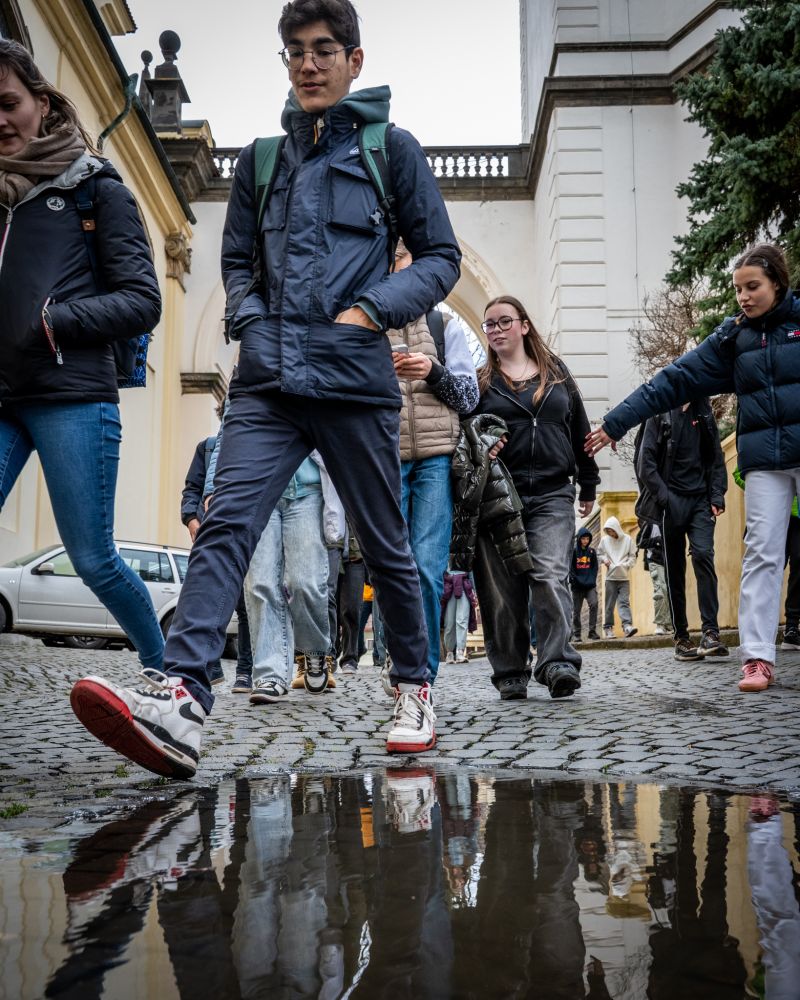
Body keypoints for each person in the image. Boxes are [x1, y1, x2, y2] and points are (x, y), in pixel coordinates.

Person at [71, 0, 461, 777]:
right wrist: (251, 320)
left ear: (354, 59)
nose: (308, 64)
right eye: (295, 52)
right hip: (268, 385)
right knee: (225, 524)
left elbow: (440, 257)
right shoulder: (260, 161)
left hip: (354, 381)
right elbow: (237, 264)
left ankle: (414, 686)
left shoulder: (392, 151)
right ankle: (184, 698)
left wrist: (369, 311)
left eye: (324, 49)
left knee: (386, 543)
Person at [0, 42, 164, 679]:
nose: (0, 120)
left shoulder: (95, 189)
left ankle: (170, 671)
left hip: (71, 395)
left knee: (93, 558)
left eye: (9, 103)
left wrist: (52, 320)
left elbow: (142, 301)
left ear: (42, 103)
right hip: (4, 392)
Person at [586, 242, 800, 693]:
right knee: (762, 552)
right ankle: (757, 658)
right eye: (737, 289)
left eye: (753, 287)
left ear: (778, 283)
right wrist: (615, 423)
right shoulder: (733, 338)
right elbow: (673, 379)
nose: (743, 297)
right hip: (765, 460)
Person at [459, 294, 599, 700]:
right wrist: (484, 442)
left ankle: (557, 662)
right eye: (489, 324)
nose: (496, 329)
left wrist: (588, 481)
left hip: (553, 492)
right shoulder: (481, 382)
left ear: (523, 325)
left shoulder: (556, 374)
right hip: (500, 494)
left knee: (549, 573)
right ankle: (510, 670)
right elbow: (466, 434)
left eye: (504, 321)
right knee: (501, 588)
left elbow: (580, 426)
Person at [386, 240, 479, 685]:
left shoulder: (445, 326)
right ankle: (399, 657)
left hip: (435, 461)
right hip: (385, 459)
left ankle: (420, 674)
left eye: (399, 257)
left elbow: (469, 397)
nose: (392, 266)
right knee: (392, 566)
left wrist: (432, 371)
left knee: (426, 566)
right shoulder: (365, 327)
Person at [636, 398, 728, 661]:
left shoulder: (704, 411)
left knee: (703, 555)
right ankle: (682, 638)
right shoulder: (659, 413)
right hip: (671, 502)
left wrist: (716, 495)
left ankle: (711, 633)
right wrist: (665, 499)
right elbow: (645, 464)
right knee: (674, 569)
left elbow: (716, 457)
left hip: (700, 501)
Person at [245, 454, 338, 703]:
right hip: (260, 489)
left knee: (305, 582)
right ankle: (270, 673)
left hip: (308, 489)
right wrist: (212, 488)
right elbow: (226, 437)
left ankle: (315, 651)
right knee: (260, 584)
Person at [181, 428, 254, 692]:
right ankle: (211, 668)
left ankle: (245, 672)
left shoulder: (254, 443)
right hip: (209, 534)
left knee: (245, 608)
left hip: (242, 534)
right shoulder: (208, 447)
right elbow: (192, 489)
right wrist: (191, 519)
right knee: (207, 601)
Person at [597, 517, 638, 638]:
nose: (611, 533)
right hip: (610, 578)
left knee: (624, 602)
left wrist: (625, 565)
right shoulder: (604, 540)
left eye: (612, 531)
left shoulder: (628, 539)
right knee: (609, 605)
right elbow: (599, 554)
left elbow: (633, 557)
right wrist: (605, 560)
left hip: (624, 578)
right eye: (608, 531)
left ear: (617, 529)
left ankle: (627, 626)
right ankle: (608, 628)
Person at [637, 522, 672, 636]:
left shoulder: (671, 519)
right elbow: (640, 542)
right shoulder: (650, 523)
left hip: (670, 562)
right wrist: (657, 541)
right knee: (661, 590)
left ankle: (668, 625)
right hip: (655, 561)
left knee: (670, 592)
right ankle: (660, 624)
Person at [569, 527, 599, 642]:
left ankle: (592, 632)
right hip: (577, 587)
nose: (585, 541)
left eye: (587, 539)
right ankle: (577, 634)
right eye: (583, 539)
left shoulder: (592, 552)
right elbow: (571, 568)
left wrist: (592, 580)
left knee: (594, 604)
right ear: (579, 539)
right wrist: (575, 580)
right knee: (576, 611)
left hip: (590, 585)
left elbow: (595, 568)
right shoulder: (574, 552)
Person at [441, 569, 477, 663]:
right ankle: (449, 653)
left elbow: (471, 571)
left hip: (464, 585)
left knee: (462, 620)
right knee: (449, 622)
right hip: (449, 586)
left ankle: (460, 652)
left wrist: (474, 592)